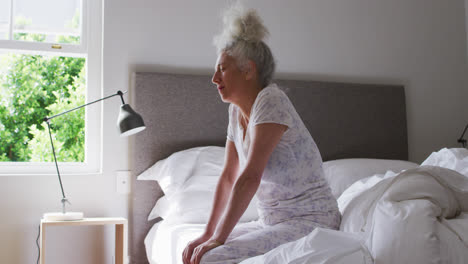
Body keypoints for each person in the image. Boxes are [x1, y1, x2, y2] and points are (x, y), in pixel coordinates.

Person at [182, 5, 340, 264]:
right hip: (273, 222)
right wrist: (208, 233)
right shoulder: (235, 112)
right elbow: (228, 177)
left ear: (248, 70)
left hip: (312, 221)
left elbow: (249, 177)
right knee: (195, 252)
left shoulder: (271, 100)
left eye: (222, 68)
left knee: (211, 258)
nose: (214, 78)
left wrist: (218, 240)